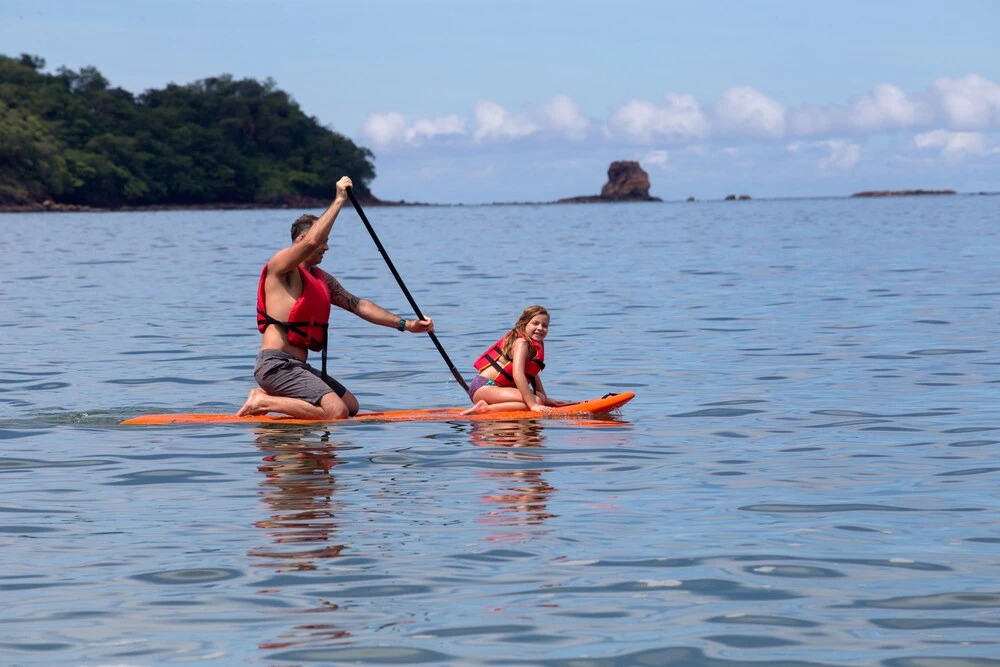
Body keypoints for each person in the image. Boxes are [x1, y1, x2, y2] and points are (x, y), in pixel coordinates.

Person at [238, 176, 433, 419]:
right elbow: (312, 240)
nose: (326, 248)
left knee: (351, 406)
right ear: (301, 241)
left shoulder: (321, 279)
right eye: (324, 242)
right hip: (276, 365)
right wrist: (340, 200)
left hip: (299, 367)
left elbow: (358, 305)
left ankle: (278, 403)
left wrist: (407, 325)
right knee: (337, 413)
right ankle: (261, 401)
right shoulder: (281, 267)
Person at [462, 305, 569, 415]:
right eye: (535, 323)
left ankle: (495, 405)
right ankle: (485, 409)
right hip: (485, 386)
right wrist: (533, 405)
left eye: (545, 325)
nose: (540, 328)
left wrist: (546, 400)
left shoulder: (534, 344)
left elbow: (532, 373)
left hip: (497, 389)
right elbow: (518, 374)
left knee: (540, 397)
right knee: (536, 400)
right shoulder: (522, 343)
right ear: (524, 323)